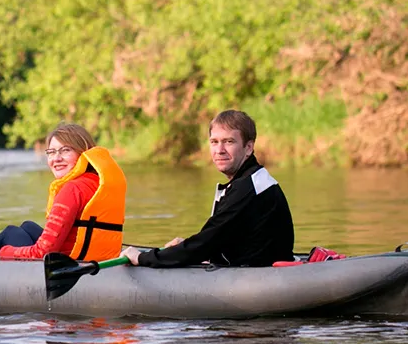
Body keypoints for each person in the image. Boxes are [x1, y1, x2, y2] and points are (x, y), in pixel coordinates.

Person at [121, 109, 294, 268]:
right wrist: (185, 247)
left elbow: (206, 243)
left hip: (261, 277)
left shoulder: (247, 188)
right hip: (253, 266)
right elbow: (222, 239)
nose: (220, 150)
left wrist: (142, 258)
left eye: (229, 142)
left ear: (248, 147)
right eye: (214, 142)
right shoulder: (250, 179)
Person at [0, 122, 126, 261]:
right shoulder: (97, 183)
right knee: (28, 227)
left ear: (83, 153)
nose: (56, 158)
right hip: (94, 258)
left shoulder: (72, 190)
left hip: (70, 265)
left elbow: (41, 252)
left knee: (10, 233)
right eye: (51, 152)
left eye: (65, 150)